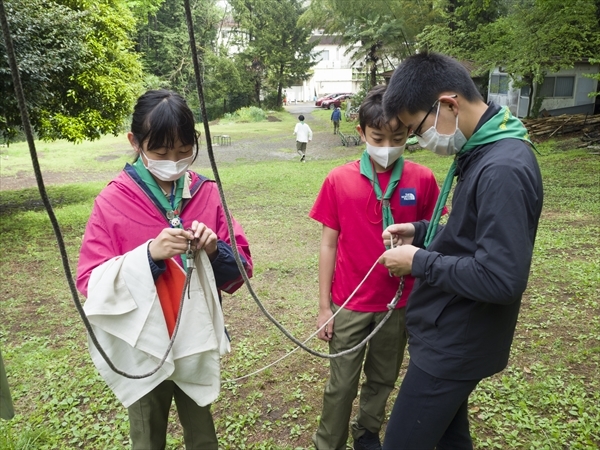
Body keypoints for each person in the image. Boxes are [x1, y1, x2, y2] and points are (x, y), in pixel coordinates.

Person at [378, 52, 543, 449]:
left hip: (456, 341)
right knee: (451, 439)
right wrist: (420, 231)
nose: (420, 141)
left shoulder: (502, 167)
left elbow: (502, 278)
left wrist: (418, 261)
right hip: (450, 328)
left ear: (448, 104)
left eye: (416, 128)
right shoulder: (483, 150)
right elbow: (470, 232)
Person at [76, 89, 253, 450]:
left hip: (194, 339)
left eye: (184, 150)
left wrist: (214, 248)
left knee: (203, 434)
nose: (173, 161)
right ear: (135, 142)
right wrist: (149, 257)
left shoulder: (206, 192)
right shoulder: (113, 200)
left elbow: (242, 267)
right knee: (147, 435)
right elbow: (90, 282)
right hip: (143, 342)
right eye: (160, 152)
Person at [310, 85, 445, 450]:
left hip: (398, 305)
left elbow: (437, 236)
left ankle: (367, 432)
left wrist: (415, 245)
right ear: (361, 134)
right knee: (341, 384)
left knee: (383, 378)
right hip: (350, 303)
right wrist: (324, 308)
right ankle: (329, 441)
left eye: (398, 137)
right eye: (378, 137)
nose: (387, 146)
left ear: (408, 134)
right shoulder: (339, 179)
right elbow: (327, 243)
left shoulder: (423, 179)